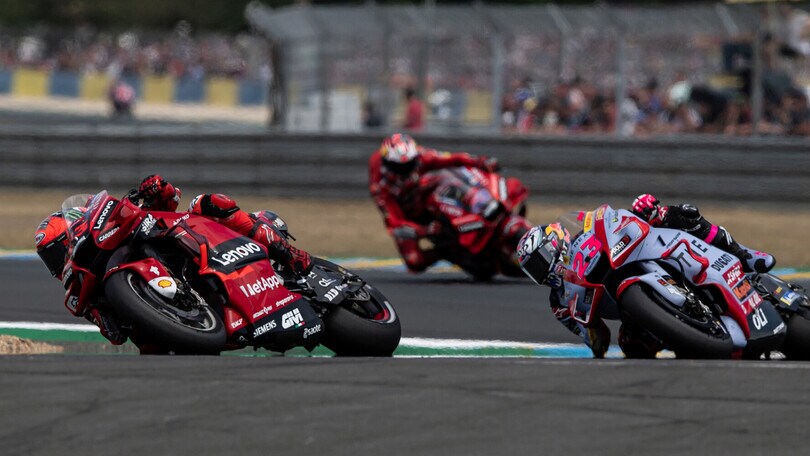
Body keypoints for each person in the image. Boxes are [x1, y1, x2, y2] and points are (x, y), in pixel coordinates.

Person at [34, 175, 313, 348]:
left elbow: (170, 200)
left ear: (75, 227)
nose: (56, 263)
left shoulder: (119, 221)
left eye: (56, 252)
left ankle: (286, 252)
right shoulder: (78, 295)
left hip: (202, 241)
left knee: (205, 203)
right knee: (150, 350)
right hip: (175, 333)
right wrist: (104, 317)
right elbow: (115, 337)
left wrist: (156, 188)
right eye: (50, 259)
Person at [517, 194, 776, 359]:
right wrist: (592, 335)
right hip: (636, 312)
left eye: (539, 262)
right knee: (633, 347)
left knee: (681, 214)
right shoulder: (560, 303)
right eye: (533, 270)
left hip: (642, 251)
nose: (540, 272)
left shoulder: (582, 231)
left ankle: (743, 254)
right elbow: (597, 341)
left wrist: (644, 211)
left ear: (554, 242)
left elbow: (609, 218)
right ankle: (697, 334)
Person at [369, 133, 501, 273]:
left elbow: (452, 158)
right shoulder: (380, 188)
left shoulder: (422, 156)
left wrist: (480, 161)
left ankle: (479, 206)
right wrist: (424, 230)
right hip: (406, 214)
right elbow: (395, 223)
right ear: (387, 163)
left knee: (447, 176)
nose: (405, 170)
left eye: (409, 164)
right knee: (414, 262)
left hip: (422, 194)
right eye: (399, 167)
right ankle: (446, 252)